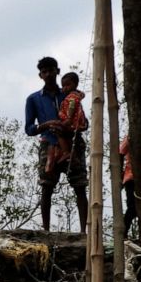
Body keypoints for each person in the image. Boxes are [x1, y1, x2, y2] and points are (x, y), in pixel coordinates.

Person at [25, 57, 88, 232]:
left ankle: (84, 231)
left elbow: (83, 120)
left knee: (80, 185)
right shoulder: (34, 99)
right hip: (49, 144)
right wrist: (46, 124)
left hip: (73, 143)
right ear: (40, 75)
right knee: (46, 186)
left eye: (51, 70)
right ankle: (46, 230)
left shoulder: (69, 93)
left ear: (57, 71)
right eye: (44, 72)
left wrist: (71, 126)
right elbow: (29, 128)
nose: (48, 74)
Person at [46, 71, 88, 175]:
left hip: (71, 123)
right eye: (63, 86)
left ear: (75, 85)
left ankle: (66, 153)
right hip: (72, 123)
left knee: (57, 130)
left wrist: (66, 121)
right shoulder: (74, 95)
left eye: (67, 85)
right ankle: (66, 154)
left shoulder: (72, 98)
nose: (65, 88)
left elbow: (71, 109)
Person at [120, 135, 136, 235]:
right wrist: (119, 173)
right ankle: (123, 233)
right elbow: (121, 152)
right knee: (133, 207)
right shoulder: (130, 137)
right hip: (131, 177)